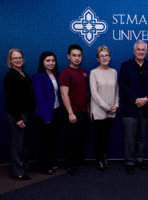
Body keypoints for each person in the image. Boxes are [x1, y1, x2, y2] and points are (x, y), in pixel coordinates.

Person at [119, 40, 148, 174]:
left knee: (142, 137)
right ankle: (130, 162)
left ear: (146, 52)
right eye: (138, 49)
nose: (141, 51)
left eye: (143, 50)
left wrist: (146, 98)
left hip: (146, 108)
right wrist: (135, 99)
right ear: (134, 51)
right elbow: (123, 86)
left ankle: (140, 159)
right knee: (130, 138)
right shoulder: (125, 66)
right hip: (129, 108)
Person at [3, 48, 36, 180]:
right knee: (17, 144)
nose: (18, 60)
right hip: (18, 115)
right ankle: (17, 172)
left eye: (20, 57)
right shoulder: (10, 76)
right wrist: (17, 118)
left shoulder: (25, 74)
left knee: (25, 143)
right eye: (15, 58)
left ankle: (23, 165)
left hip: (27, 114)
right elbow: (10, 99)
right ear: (10, 61)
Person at [59, 44, 89, 176]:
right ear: (68, 56)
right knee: (71, 140)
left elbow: (85, 92)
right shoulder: (65, 73)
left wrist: (87, 109)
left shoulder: (83, 72)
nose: (77, 58)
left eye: (79, 55)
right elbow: (64, 94)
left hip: (83, 111)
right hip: (72, 112)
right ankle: (71, 165)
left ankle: (77, 161)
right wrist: (70, 113)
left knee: (81, 138)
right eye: (74, 55)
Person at [90, 46, 119, 171]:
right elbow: (94, 94)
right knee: (99, 137)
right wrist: (106, 107)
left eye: (106, 55)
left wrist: (116, 105)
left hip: (112, 110)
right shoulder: (94, 73)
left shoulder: (114, 72)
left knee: (106, 137)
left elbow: (117, 89)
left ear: (110, 57)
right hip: (98, 111)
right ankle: (99, 160)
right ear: (98, 58)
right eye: (102, 56)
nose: (104, 58)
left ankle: (105, 158)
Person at [32, 51, 61, 175]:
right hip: (45, 114)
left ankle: (52, 163)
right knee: (45, 142)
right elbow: (40, 98)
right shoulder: (39, 76)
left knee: (53, 140)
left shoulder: (56, 75)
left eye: (53, 60)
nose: (51, 63)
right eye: (48, 60)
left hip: (57, 111)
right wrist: (46, 117)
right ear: (42, 62)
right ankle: (45, 166)